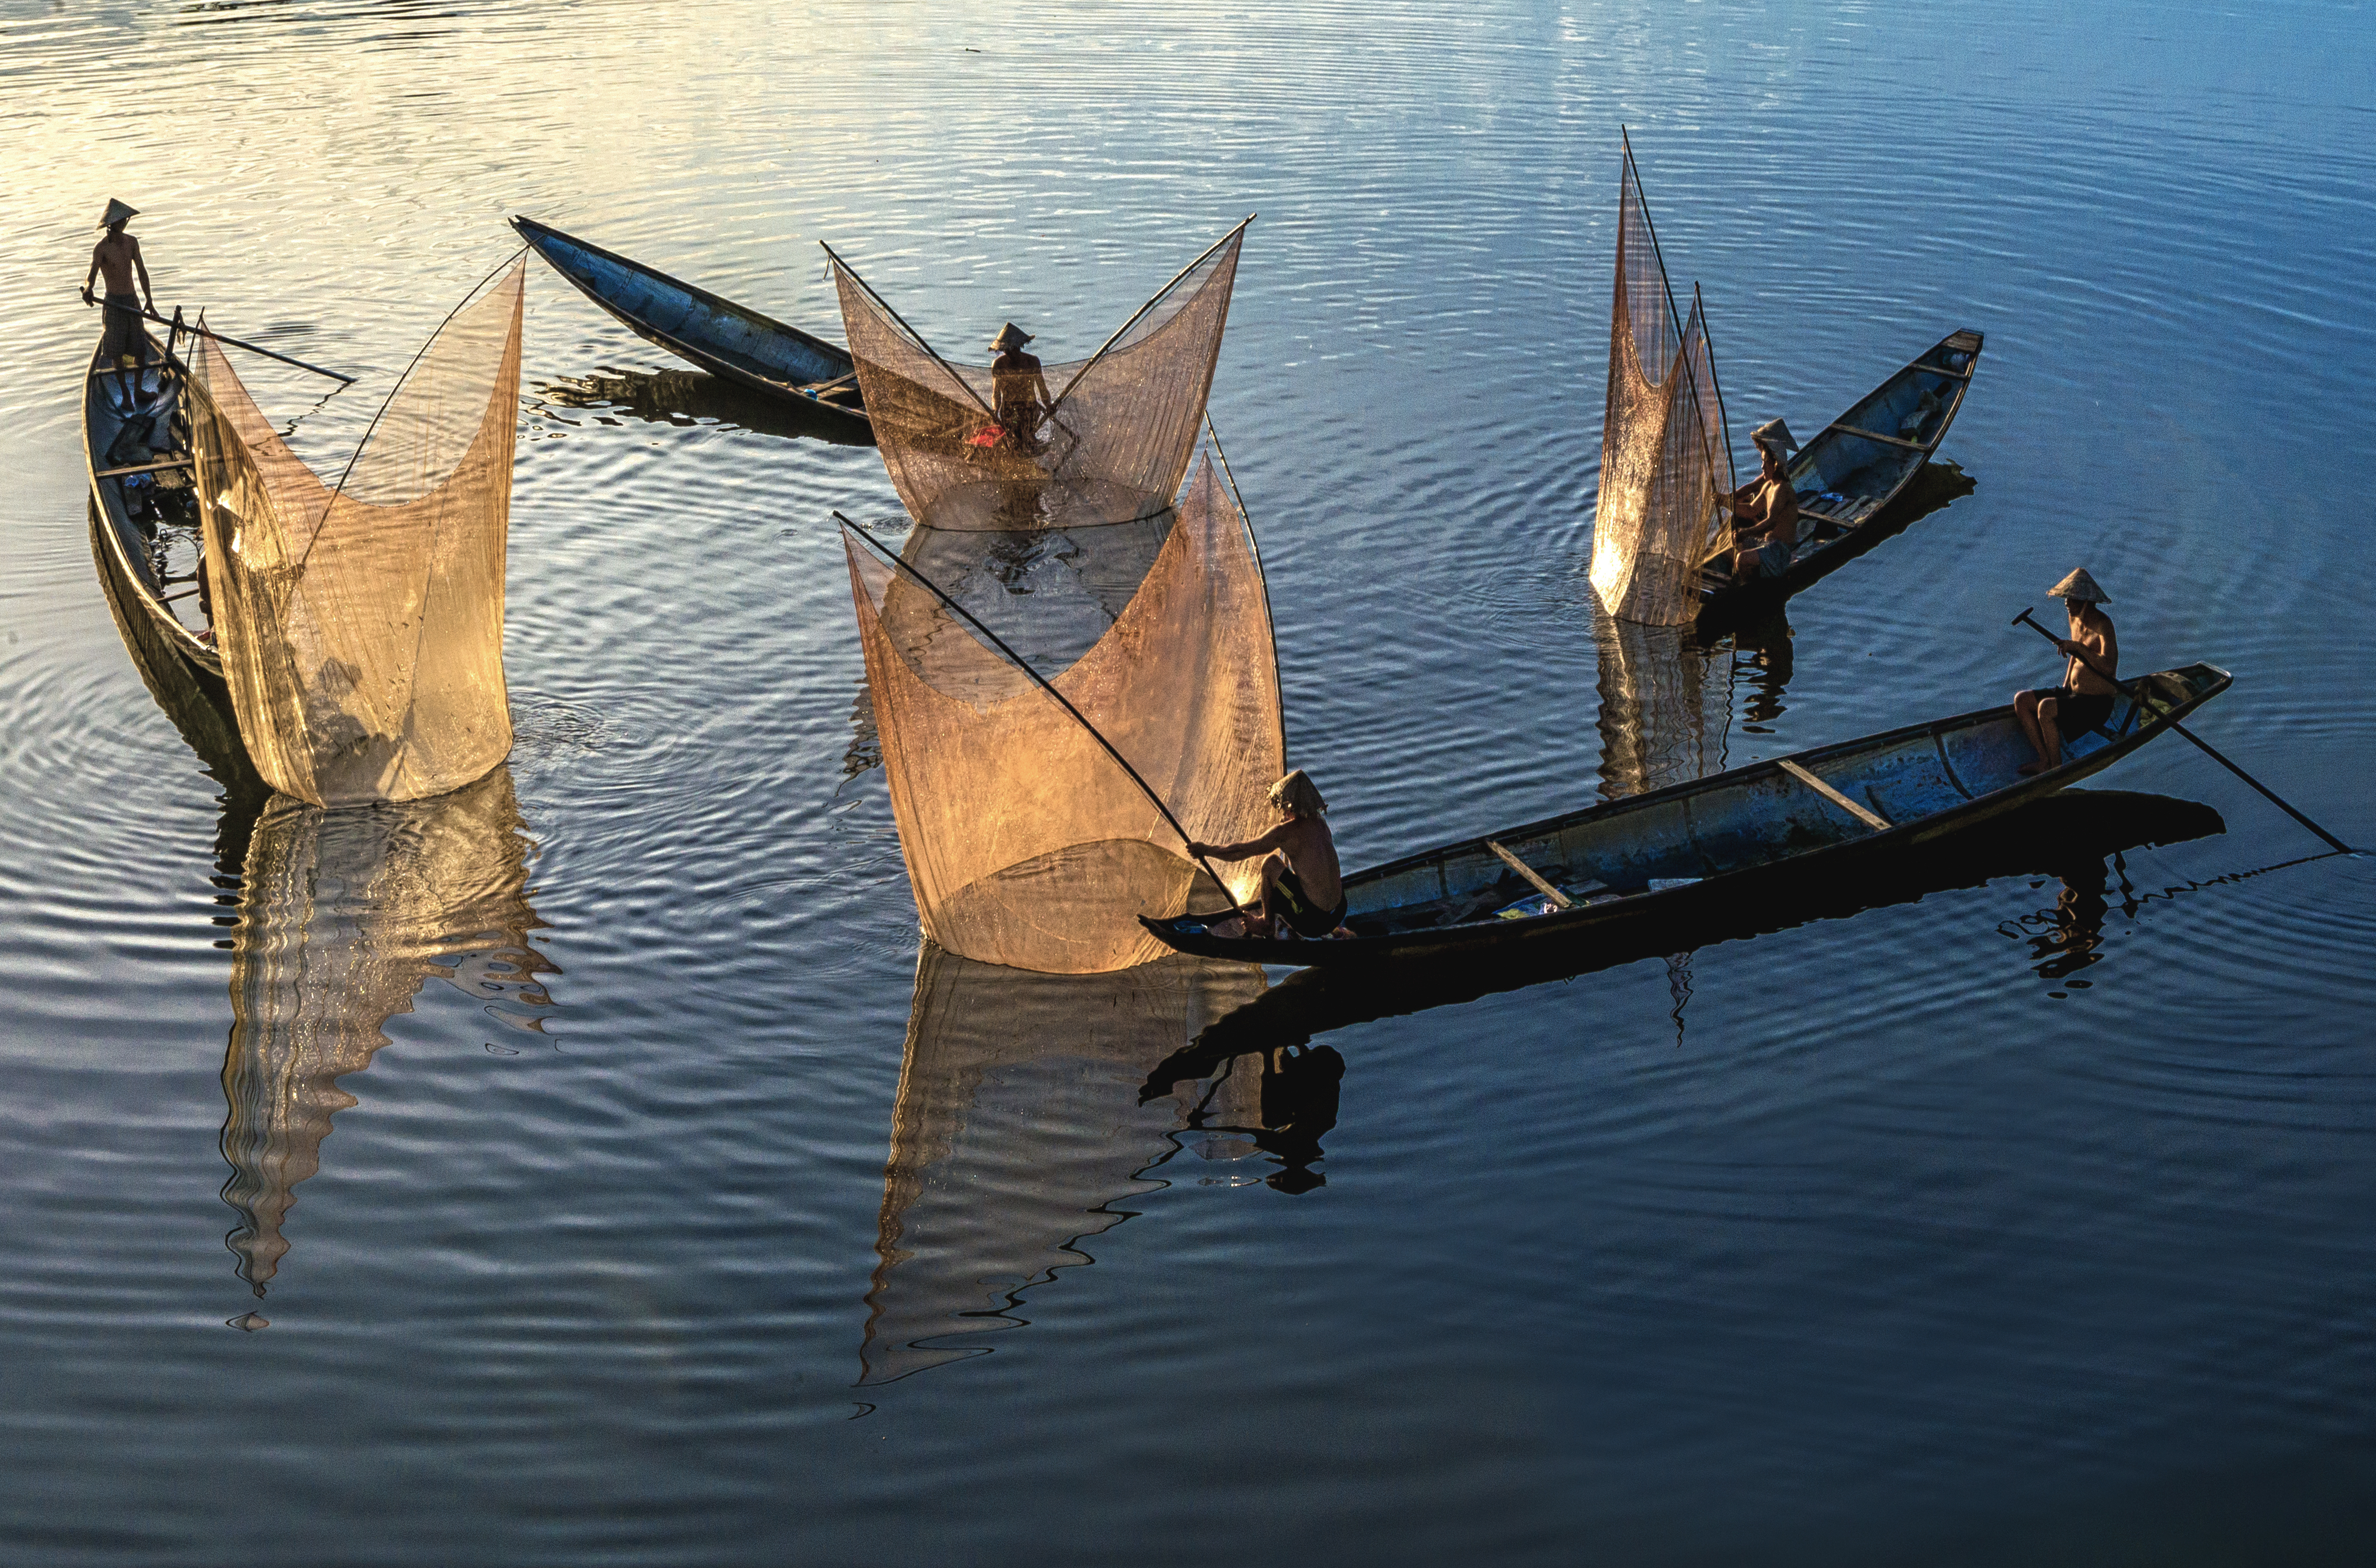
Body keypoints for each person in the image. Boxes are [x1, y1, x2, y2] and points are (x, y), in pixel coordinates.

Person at [1187, 770, 1348, 940]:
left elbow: (1240, 851)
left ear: (1290, 806)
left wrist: (1206, 850)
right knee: (1300, 877)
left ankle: (1267, 924)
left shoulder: (1285, 833)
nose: (1284, 813)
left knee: (1271, 863)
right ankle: (1335, 929)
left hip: (1313, 923)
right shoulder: (1321, 824)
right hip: (1339, 911)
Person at [2013, 568, 2120, 775]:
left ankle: (2056, 768)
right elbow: (2075, 653)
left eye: (2071, 599)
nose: (2066, 603)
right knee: (2023, 700)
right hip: (2075, 696)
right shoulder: (2074, 619)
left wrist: (2079, 648)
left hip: (2097, 704)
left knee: (2046, 708)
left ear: (2086, 602)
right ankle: (2044, 760)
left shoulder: (2104, 625)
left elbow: (2109, 667)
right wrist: (2065, 688)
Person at [83, 198, 156, 401]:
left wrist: (149, 301)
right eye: (120, 221)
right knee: (116, 354)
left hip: (132, 301)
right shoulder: (102, 249)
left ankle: (139, 391)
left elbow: (142, 271)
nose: (123, 223)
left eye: (125, 220)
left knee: (140, 351)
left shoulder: (132, 242)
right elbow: (92, 274)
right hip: (113, 304)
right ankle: (125, 394)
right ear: (111, 224)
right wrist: (89, 288)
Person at [1721, 418, 1803, 581]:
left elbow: (1771, 522)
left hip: (1779, 551)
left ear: (1776, 464)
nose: (1762, 467)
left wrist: (1746, 533)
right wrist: (1725, 502)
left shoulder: (1783, 489)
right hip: (1766, 543)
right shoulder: (1769, 486)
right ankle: (1747, 575)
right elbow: (1751, 509)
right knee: (1726, 545)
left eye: (1766, 463)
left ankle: (1752, 587)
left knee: (1742, 559)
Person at [988, 322, 1052, 453]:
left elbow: (1042, 389)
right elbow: (996, 394)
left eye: (1014, 349)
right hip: (1009, 410)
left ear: (1020, 347)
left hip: (1030, 408)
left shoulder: (1032, 362)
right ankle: (1021, 447)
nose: (1012, 353)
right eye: (1008, 351)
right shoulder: (999, 365)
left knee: (1026, 436)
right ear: (1004, 351)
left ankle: (1029, 444)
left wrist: (1048, 405)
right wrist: (995, 410)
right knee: (1015, 439)